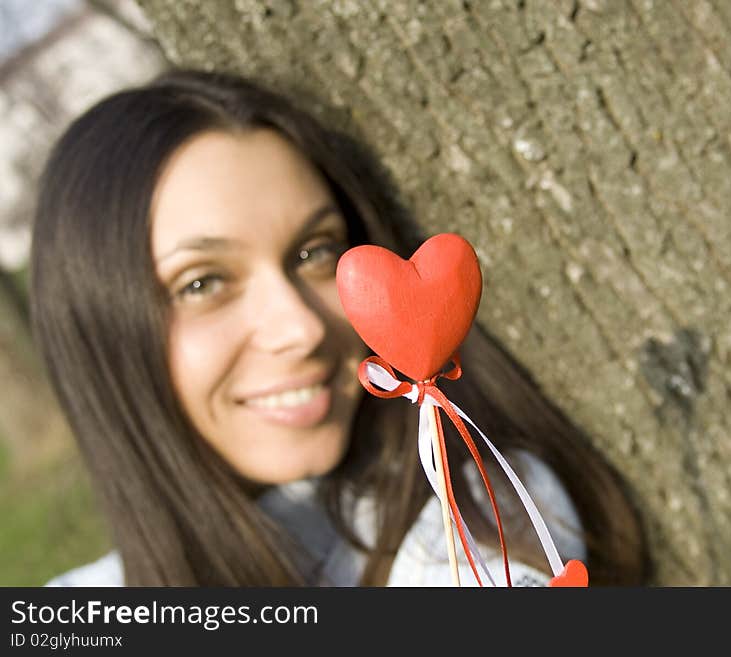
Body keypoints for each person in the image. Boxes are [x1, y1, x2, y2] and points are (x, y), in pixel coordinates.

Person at [31, 69, 650, 586]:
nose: (299, 327)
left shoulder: (481, 524)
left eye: (315, 253)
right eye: (202, 283)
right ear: (96, 336)